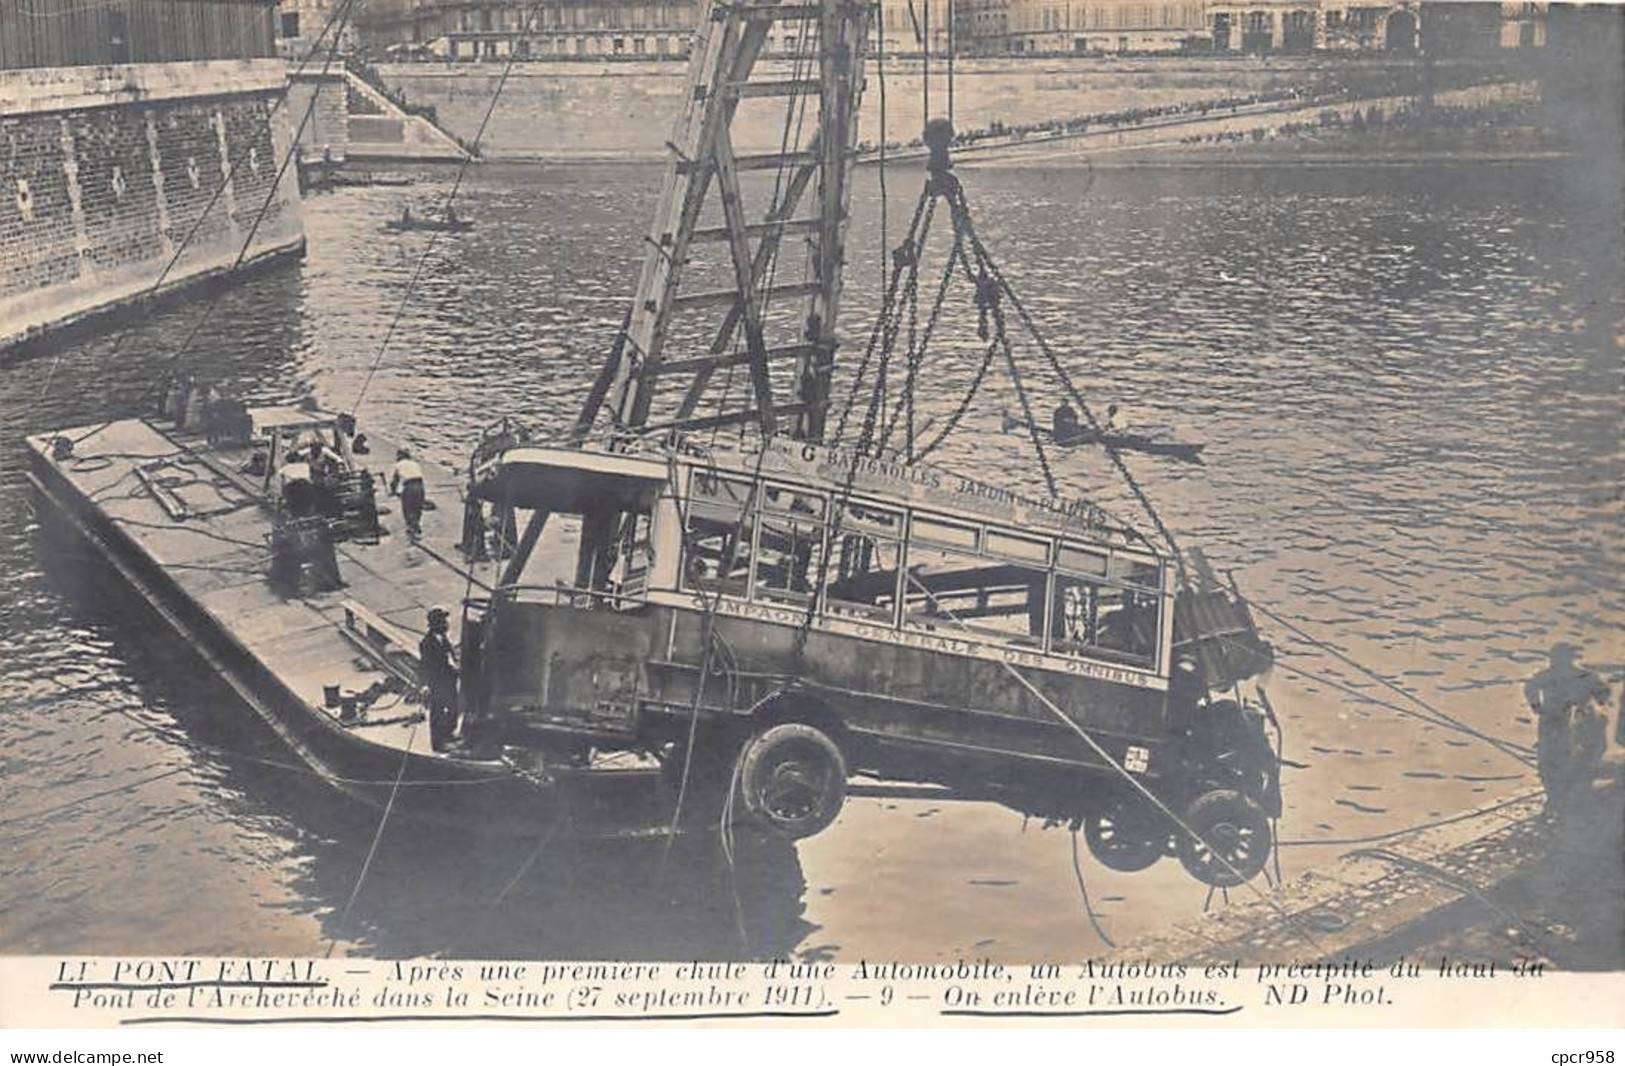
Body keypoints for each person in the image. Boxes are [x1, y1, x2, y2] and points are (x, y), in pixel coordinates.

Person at [1524, 642, 1611, 813]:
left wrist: (1595, 702)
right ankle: (1556, 797)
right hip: (1551, 723)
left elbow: (1603, 692)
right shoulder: (1550, 676)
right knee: (1549, 760)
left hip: (1577, 724)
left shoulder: (1583, 676)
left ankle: (1565, 798)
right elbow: (1530, 687)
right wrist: (1536, 705)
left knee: (1569, 759)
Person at [419, 607, 460, 752]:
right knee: (438, 712)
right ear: (435, 623)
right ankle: (438, 743)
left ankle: (448, 734)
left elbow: (449, 656)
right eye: (443, 621)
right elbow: (425, 666)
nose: (446, 624)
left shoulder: (443, 639)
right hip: (437, 683)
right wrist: (425, 685)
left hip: (448, 680)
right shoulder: (427, 643)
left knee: (454, 708)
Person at [390, 447, 427, 539]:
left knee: (408, 508)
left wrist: (393, 491)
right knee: (418, 507)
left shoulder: (399, 464)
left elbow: (395, 480)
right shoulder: (415, 464)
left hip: (409, 486)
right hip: (420, 485)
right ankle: (416, 526)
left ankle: (412, 528)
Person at [277, 448, 315, 517]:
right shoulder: (305, 466)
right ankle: (305, 510)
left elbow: (280, 475)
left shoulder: (286, 468)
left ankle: (293, 512)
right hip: (306, 487)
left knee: (289, 492)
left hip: (294, 488)